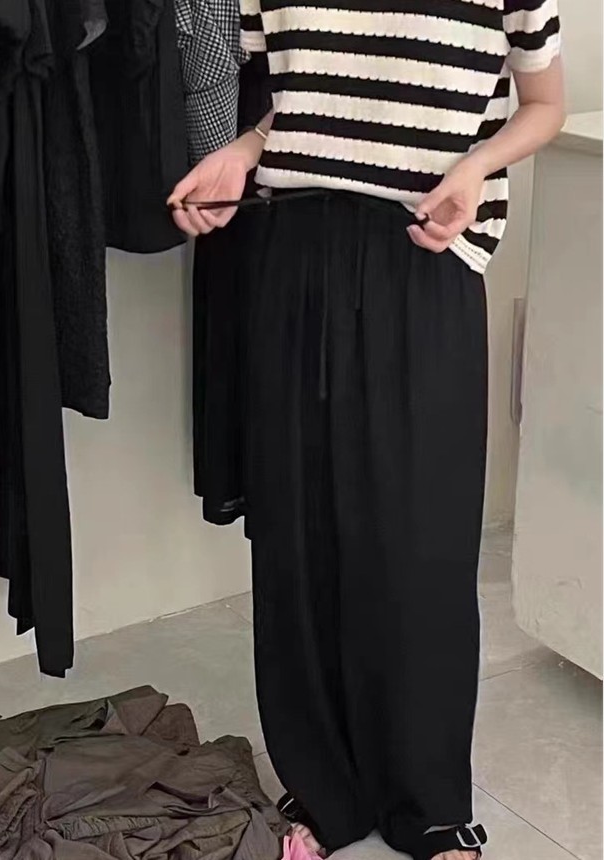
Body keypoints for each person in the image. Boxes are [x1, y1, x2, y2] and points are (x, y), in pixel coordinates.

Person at [169, 1, 565, 857]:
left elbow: (543, 105)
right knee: (297, 537)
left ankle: (429, 803)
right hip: (291, 253)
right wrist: (241, 152)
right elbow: (290, 103)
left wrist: (477, 165)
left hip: (424, 255)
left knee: (419, 544)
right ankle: (321, 793)